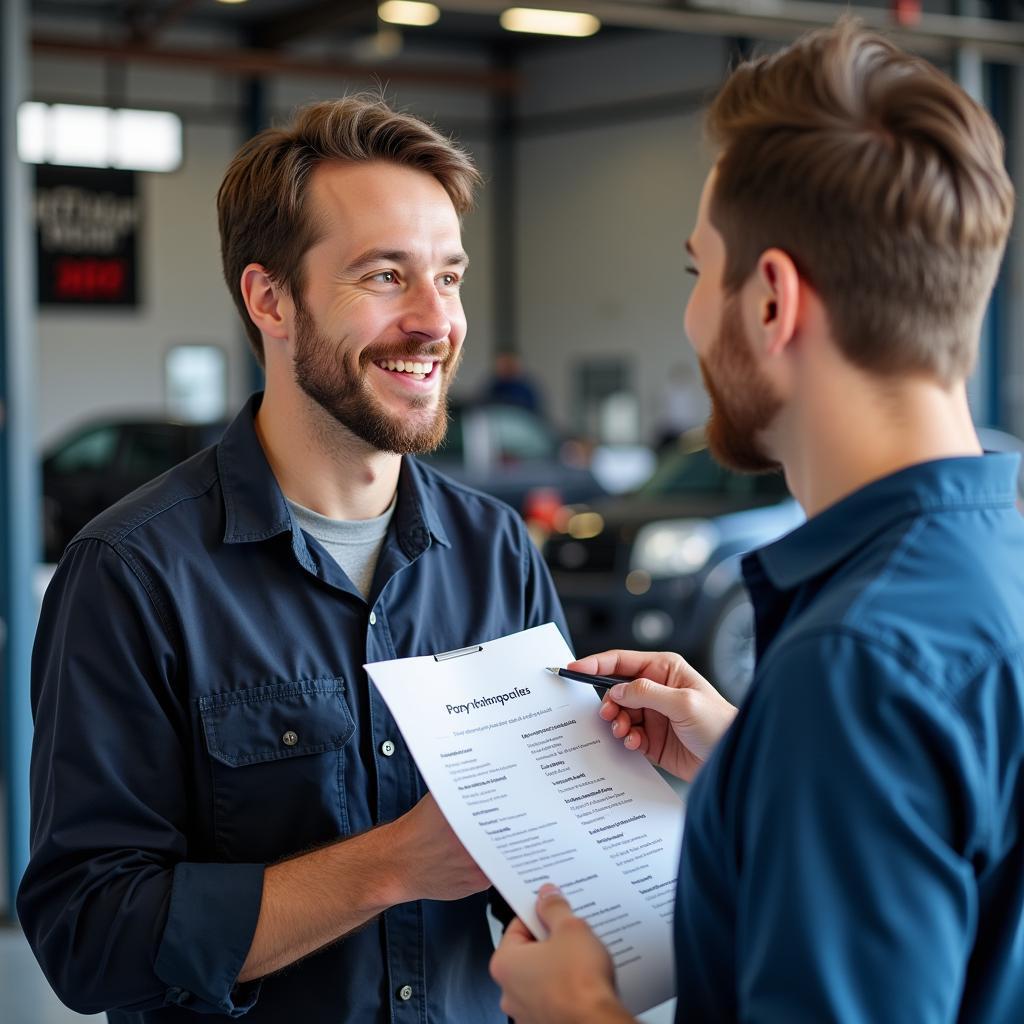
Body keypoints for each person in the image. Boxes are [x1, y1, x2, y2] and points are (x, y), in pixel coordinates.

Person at [490, 19, 1023, 1023]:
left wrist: (578, 1013)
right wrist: (752, 762)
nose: (693, 319)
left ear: (771, 298)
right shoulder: (994, 568)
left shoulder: (855, 670)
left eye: (700, 274)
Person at [18, 96, 569, 1023]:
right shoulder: (132, 573)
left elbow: (547, 865)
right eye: (386, 276)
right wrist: (392, 865)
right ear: (269, 298)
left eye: (450, 276)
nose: (437, 322)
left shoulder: (495, 549)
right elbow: (89, 934)